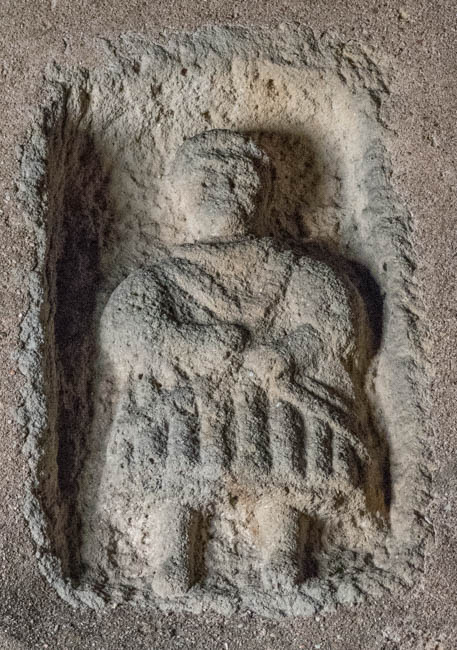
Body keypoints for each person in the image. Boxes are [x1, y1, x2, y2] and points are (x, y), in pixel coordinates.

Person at [86, 129, 380, 596]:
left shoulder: (292, 269)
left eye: (237, 182)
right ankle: (174, 546)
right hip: (186, 407)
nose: (222, 191)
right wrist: (187, 343)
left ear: (260, 195)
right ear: (182, 193)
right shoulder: (163, 277)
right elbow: (127, 329)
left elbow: (333, 323)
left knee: (282, 455)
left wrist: (288, 354)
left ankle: (283, 543)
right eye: (207, 182)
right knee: (174, 462)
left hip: (271, 401)